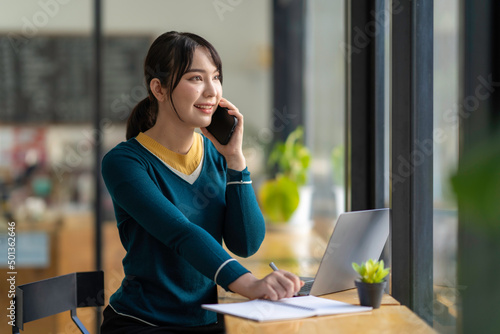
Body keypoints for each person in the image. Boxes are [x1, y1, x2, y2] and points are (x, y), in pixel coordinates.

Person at [100, 31, 303, 333]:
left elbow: (246, 244)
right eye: (196, 79)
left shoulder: (217, 154)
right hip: (143, 322)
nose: (212, 91)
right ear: (159, 88)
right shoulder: (125, 163)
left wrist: (236, 161)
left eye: (216, 77)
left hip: (208, 319)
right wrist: (248, 283)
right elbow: (181, 232)